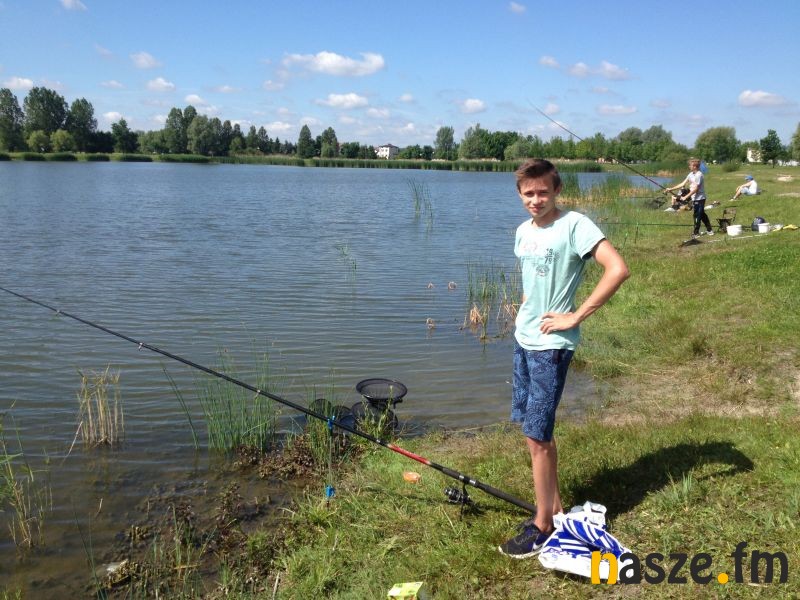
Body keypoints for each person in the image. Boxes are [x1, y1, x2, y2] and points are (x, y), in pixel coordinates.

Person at [498, 159, 630, 558]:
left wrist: (575, 316)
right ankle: (553, 510)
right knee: (534, 430)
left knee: (536, 435)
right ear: (520, 194)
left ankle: (542, 527)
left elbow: (617, 269)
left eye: (543, 192)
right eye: (528, 193)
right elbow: (531, 283)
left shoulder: (575, 225)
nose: (536, 200)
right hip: (524, 339)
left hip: (552, 346)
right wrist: (523, 313)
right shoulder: (523, 232)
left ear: (557, 190)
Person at [664, 158, 713, 237]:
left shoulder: (699, 175)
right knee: (702, 214)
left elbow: (696, 189)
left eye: (690, 165)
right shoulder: (690, 174)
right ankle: (710, 230)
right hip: (694, 198)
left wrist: (686, 196)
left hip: (700, 198)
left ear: (694, 166)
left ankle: (696, 233)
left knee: (697, 215)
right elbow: (682, 184)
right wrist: (671, 189)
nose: (689, 166)